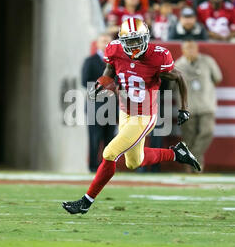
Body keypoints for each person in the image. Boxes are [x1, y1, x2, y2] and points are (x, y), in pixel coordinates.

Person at [63, 18, 201, 215]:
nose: (134, 46)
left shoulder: (158, 56)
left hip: (144, 115)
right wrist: (102, 84)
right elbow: (110, 71)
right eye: (129, 41)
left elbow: (179, 77)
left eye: (137, 40)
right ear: (122, 41)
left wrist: (184, 108)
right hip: (124, 110)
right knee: (133, 162)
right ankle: (177, 153)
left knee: (109, 153)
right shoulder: (115, 50)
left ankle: (85, 202)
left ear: (145, 38)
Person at [174, 40, 222, 172]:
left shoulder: (208, 61)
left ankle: (191, 159)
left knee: (207, 132)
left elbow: (218, 77)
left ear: (197, 49)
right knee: (188, 137)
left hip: (206, 104)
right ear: (183, 51)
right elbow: (172, 86)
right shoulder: (178, 65)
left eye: (192, 48)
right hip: (187, 108)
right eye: (187, 48)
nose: (190, 51)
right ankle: (194, 168)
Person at [82, 33, 117, 172]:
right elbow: (85, 81)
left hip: (111, 104)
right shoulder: (90, 61)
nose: (106, 44)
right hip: (95, 104)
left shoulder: (115, 62)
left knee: (109, 137)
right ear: (97, 43)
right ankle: (92, 166)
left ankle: (106, 167)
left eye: (108, 41)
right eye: (103, 41)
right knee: (94, 137)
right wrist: (104, 87)